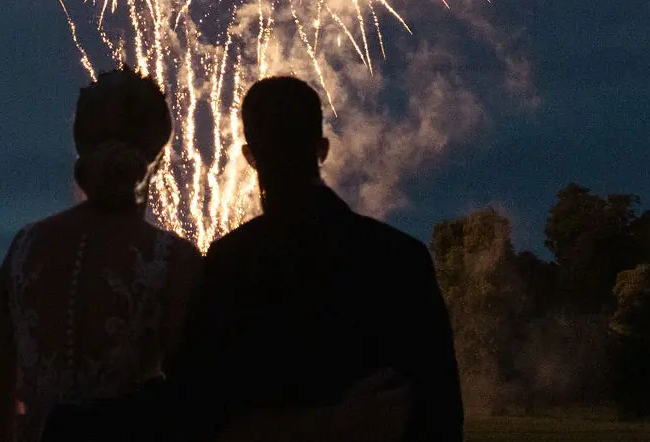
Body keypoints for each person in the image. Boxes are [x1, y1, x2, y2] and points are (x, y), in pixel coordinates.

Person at [166, 76, 464, 442]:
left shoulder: (229, 262)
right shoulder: (401, 257)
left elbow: (197, 413)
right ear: (322, 149)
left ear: (250, 156)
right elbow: (441, 416)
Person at [0, 68, 202, 442]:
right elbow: (195, 400)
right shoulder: (171, 259)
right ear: (158, 153)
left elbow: (0, 407)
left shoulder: (25, 248)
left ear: (80, 143)